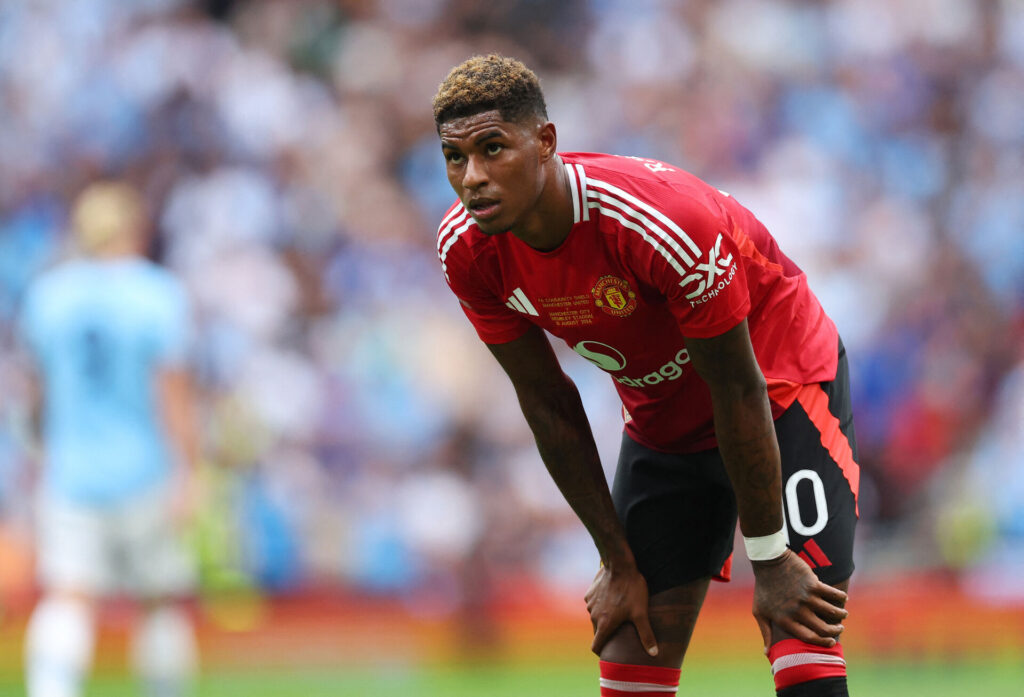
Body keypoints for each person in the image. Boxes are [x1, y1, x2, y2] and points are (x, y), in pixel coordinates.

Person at [431, 54, 859, 697]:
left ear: (545, 142)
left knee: (802, 636)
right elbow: (547, 402)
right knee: (632, 655)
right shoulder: (466, 250)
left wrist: (768, 558)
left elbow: (738, 389)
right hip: (663, 424)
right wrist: (615, 558)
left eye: (493, 149)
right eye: (455, 158)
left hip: (780, 393)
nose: (474, 178)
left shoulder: (660, 221)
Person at [18, 181, 200, 697]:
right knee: (158, 600)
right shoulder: (157, 293)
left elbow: (38, 394)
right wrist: (189, 470)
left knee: (68, 597)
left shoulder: (48, 294)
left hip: (71, 471)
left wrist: (43, 454)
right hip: (146, 470)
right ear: (133, 229)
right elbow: (174, 394)